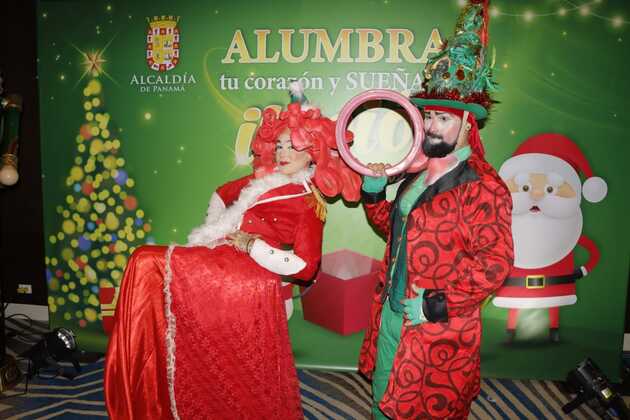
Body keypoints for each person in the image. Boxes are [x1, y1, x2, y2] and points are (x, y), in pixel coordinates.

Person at [104, 86, 360, 419]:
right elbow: (220, 195)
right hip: (221, 261)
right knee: (144, 260)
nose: (283, 154)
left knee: (148, 261)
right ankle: (152, 384)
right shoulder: (259, 182)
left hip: (251, 274)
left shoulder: (308, 202)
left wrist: (253, 245)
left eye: (292, 147)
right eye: (279, 146)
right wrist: (215, 232)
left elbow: (305, 267)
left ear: (312, 154)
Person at [357, 1, 514, 418]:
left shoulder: (483, 187)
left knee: (425, 408)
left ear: (468, 125)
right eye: (428, 117)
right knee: (382, 399)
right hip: (392, 313)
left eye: (443, 120)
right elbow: (396, 232)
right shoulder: (416, 174)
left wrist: (435, 304)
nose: (429, 128)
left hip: (437, 327)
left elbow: (495, 263)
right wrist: (375, 194)